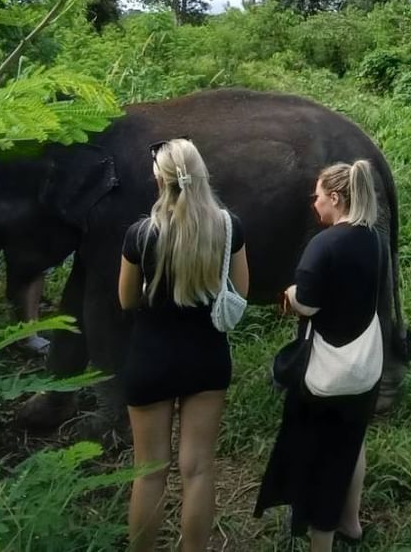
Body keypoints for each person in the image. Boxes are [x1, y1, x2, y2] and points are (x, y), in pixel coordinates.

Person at [120, 138, 249, 552]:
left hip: (150, 358)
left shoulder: (140, 235)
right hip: (206, 359)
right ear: (202, 172)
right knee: (197, 469)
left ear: (159, 179)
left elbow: (126, 300)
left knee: (149, 471)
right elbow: (240, 291)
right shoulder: (229, 228)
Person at [256, 160, 387, 551]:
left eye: (317, 197)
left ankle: (321, 542)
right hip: (366, 367)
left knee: (321, 460)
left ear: (335, 198)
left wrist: (290, 296)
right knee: (352, 443)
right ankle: (352, 522)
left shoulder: (324, 244)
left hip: (327, 373)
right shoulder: (374, 239)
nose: (314, 205)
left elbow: (307, 305)